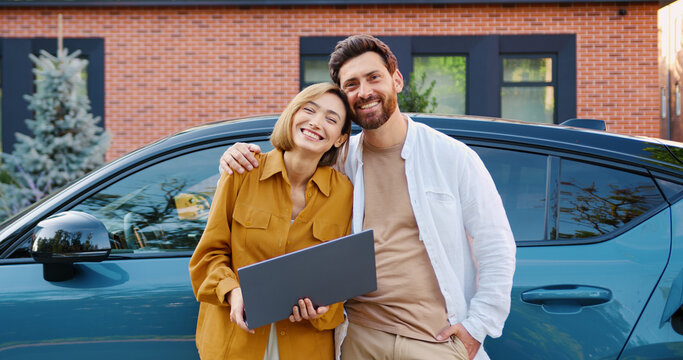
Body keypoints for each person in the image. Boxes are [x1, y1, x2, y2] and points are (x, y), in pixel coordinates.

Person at [220, 35, 516, 360]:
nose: (364, 91)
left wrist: (478, 327)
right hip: (357, 338)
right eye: (351, 84)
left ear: (397, 80)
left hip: (433, 341)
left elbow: (496, 244)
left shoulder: (451, 157)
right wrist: (236, 155)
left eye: (373, 77)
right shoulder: (339, 160)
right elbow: (288, 165)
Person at [189, 82, 354, 360]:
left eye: (331, 118)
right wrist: (232, 292)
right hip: (236, 343)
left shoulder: (344, 193)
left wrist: (324, 309)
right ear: (292, 115)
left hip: (305, 346)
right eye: (309, 110)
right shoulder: (242, 171)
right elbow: (207, 256)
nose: (316, 123)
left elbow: (343, 276)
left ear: (339, 138)